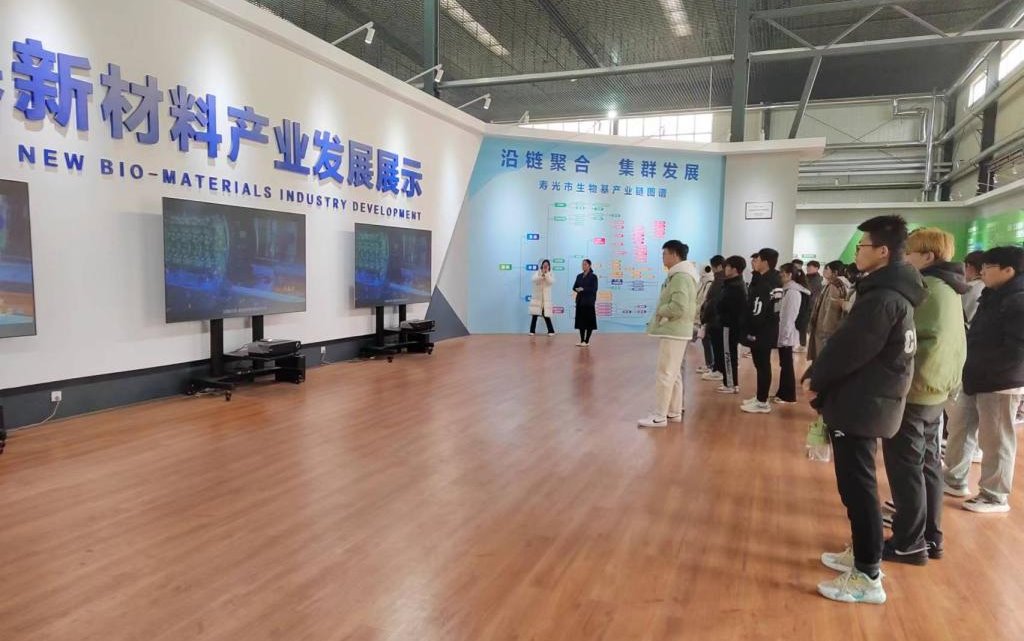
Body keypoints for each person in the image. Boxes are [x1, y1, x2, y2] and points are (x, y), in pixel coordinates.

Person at [806, 215, 925, 605]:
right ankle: (861, 554)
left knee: (859, 488)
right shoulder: (888, 292)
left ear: (883, 251)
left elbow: (849, 350)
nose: (857, 252)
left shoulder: (883, 298)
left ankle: (868, 574)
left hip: (863, 403)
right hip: (867, 401)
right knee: (855, 486)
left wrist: (817, 377)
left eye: (862, 246)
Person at [881, 228, 967, 564]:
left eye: (909, 253)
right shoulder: (951, 288)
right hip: (937, 389)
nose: (904, 259)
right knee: (928, 465)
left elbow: (904, 337)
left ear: (928, 256)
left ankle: (908, 541)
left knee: (906, 468)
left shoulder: (926, 288)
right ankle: (930, 536)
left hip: (916, 389)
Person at [945, 246, 1024, 513]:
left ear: (1008, 270)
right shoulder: (992, 295)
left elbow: (1017, 350)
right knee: (961, 427)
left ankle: (994, 495)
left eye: (988, 267)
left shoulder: (1018, 300)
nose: (982, 272)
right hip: (975, 375)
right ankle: (954, 479)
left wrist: (987, 368)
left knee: (996, 439)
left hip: (1000, 382)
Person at [638, 241, 699, 428]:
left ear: (674, 255)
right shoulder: (683, 275)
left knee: (665, 373)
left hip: (674, 331)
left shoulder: (680, 277)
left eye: (664, 253)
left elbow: (679, 307)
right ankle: (673, 412)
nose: (662, 257)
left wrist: (661, 310)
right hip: (678, 331)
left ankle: (659, 416)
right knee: (674, 374)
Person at [943, 250, 988, 473]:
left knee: (959, 410)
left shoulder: (971, 290)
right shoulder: (987, 291)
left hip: (965, 354)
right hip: (976, 356)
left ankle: (957, 468)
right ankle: (972, 452)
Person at [741, 248, 783, 414]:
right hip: (768, 328)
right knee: (761, 365)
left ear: (765, 262)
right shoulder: (773, 280)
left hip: (762, 330)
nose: (755, 263)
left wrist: (751, 330)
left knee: (763, 365)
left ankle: (762, 401)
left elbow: (758, 310)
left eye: (757, 260)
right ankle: (760, 396)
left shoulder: (766, 283)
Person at [772, 263, 810, 405]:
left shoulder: (793, 292)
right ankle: (782, 393)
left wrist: (784, 336)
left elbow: (789, 316)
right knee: (784, 364)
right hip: (784, 333)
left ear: (789, 275)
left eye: (782, 272)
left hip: (788, 334)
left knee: (787, 365)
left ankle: (788, 396)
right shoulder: (787, 290)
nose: (780, 275)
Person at [714, 256, 747, 394]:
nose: (725, 269)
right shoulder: (731, 284)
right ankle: (730, 382)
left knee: (728, 354)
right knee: (728, 353)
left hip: (730, 325)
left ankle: (731, 384)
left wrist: (720, 310)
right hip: (727, 324)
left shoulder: (736, 287)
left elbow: (727, 306)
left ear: (734, 269)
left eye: (727, 266)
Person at [807, 261, 849, 361]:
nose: (824, 271)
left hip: (825, 328)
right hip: (825, 326)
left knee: (822, 357)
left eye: (827, 269)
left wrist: (826, 330)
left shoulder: (834, 286)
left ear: (835, 272)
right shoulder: (834, 284)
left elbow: (831, 309)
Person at [696, 256, 725, 374]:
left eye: (712, 267)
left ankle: (713, 366)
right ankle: (712, 366)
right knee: (708, 341)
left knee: (711, 343)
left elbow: (708, 300)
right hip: (709, 317)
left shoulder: (716, 282)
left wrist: (704, 315)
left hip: (712, 318)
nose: (711, 270)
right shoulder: (712, 281)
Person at [572, 259, 598, 346]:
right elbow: (574, 287)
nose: (583, 266)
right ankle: (582, 340)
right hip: (580, 301)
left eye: (585, 264)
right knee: (581, 322)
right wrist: (577, 289)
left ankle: (587, 341)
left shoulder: (593, 277)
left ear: (589, 266)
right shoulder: (579, 276)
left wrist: (583, 289)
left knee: (589, 322)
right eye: (582, 264)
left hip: (589, 302)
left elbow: (594, 289)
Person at [802, 260, 825, 353]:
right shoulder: (806, 277)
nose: (808, 268)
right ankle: (803, 344)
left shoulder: (817, 280)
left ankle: (804, 345)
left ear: (816, 268)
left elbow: (811, 293)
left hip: (811, 305)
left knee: (807, 325)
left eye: (810, 267)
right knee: (804, 325)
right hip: (805, 304)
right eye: (807, 267)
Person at [528, 259, 555, 336]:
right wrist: (541, 275)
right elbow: (533, 280)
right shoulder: (538, 273)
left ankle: (551, 331)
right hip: (537, 298)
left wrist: (546, 274)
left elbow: (551, 282)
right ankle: (532, 331)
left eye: (547, 265)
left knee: (546, 316)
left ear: (549, 266)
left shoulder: (550, 274)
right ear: (542, 265)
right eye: (544, 264)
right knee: (535, 315)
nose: (545, 266)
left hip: (545, 299)